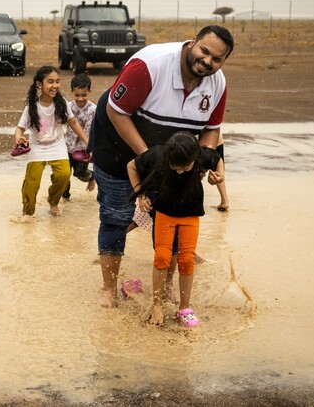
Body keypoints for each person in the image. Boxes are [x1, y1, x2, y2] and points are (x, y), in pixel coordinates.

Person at [91, 25, 234, 308]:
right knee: (115, 215)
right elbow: (116, 112)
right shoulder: (150, 66)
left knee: (173, 217)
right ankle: (108, 289)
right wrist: (149, 159)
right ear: (192, 42)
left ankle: (167, 286)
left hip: (170, 155)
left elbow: (211, 129)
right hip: (117, 144)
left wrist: (200, 164)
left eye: (217, 59)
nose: (207, 61)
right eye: (204, 51)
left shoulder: (217, 84)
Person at [128, 131, 220, 327]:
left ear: (194, 158)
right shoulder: (158, 154)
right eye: (174, 167)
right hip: (165, 214)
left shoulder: (201, 156)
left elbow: (218, 159)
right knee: (162, 256)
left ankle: (185, 309)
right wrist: (140, 195)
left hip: (190, 215)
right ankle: (157, 305)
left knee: (186, 259)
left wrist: (219, 177)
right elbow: (131, 166)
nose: (179, 172)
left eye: (185, 167)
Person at [13, 66, 89, 220]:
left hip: (57, 145)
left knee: (64, 175)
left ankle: (53, 201)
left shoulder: (62, 103)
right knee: (32, 182)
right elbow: (20, 128)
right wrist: (19, 137)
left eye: (57, 81)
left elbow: (73, 122)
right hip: (37, 147)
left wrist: (87, 142)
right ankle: (28, 213)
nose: (55, 85)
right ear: (39, 84)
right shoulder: (32, 106)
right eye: (50, 82)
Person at [62, 72, 96, 200]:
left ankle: (92, 177)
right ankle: (65, 198)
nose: (80, 98)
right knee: (64, 175)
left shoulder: (93, 109)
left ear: (89, 92)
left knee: (79, 173)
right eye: (77, 95)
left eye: (84, 95)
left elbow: (92, 129)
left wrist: (91, 148)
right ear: (71, 92)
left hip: (83, 149)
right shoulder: (68, 107)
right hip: (67, 146)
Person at [214, 131, 230, 211]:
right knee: (218, 169)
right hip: (216, 137)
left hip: (199, 139)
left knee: (195, 170)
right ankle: (224, 200)